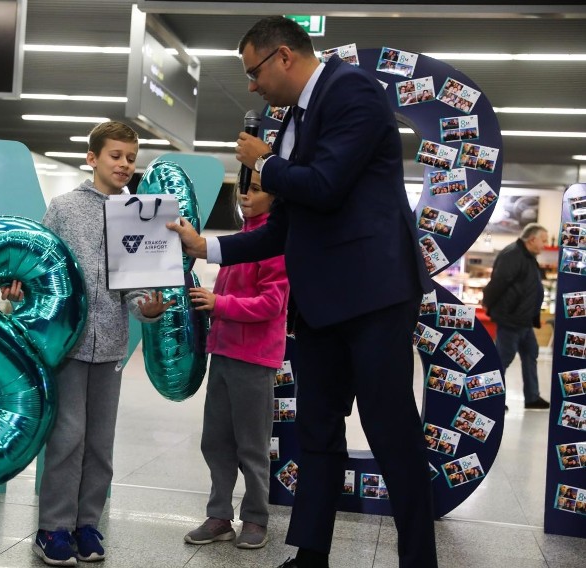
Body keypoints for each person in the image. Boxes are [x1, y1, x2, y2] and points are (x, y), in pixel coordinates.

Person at [166, 16, 437, 568]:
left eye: (253, 71)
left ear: (284, 56)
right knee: (317, 432)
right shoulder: (292, 119)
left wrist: (263, 161)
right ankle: (311, 554)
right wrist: (207, 249)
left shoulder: (352, 91)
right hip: (320, 305)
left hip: (374, 296)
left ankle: (419, 560)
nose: (251, 85)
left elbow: (328, 185)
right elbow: (284, 228)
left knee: (391, 431)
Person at [1, 121, 174, 566]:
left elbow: (136, 290)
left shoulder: (138, 212)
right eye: (115, 156)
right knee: (68, 437)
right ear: (92, 158)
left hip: (112, 346)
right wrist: (19, 285)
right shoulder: (63, 208)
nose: (124, 165)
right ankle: (53, 529)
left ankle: (87, 525)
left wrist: (147, 310)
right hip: (68, 346)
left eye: (131, 159)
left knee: (100, 442)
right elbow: (37, 261)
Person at [183, 170, 290, 550]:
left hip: (255, 358)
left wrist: (220, 304)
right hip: (225, 353)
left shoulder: (272, 242)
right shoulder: (242, 240)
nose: (246, 196)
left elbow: (273, 303)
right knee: (216, 441)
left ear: (276, 199)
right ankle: (219, 516)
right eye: (244, 188)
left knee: (252, 444)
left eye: (257, 190)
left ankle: (257, 518)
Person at [482, 223, 550, 410]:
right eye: (543, 240)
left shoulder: (528, 256)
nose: (545, 244)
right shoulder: (513, 255)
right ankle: (490, 399)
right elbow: (498, 283)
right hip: (511, 319)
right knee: (502, 359)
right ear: (532, 239)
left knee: (530, 355)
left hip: (524, 320)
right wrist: (488, 303)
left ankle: (532, 398)